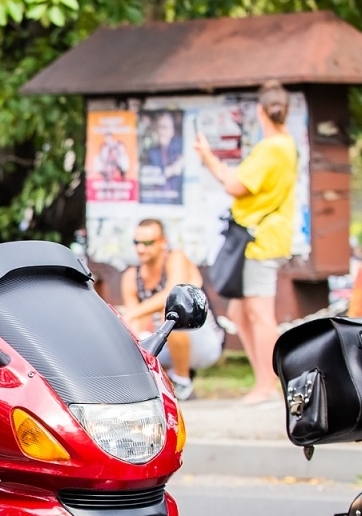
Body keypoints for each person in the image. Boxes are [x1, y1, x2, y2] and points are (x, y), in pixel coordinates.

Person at [194, 81, 299, 405]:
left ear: (259, 111)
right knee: (240, 313)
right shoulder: (286, 144)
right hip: (263, 237)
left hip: (259, 240)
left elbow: (235, 185)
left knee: (259, 314)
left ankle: (268, 386)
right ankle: (263, 380)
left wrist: (208, 157)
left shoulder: (272, 148)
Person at [120, 218, 220, 399]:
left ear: (162, 242)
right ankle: (155, 383)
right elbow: (135, 325)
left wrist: (132, 313)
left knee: (173, 312)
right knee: (134, 340)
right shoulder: (131, 277)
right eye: (137, 242)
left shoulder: (176, 258)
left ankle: (183, 383)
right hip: (166, 344)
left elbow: (169, 294)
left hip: (203, 341)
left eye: (148, 243)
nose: (141, 248)